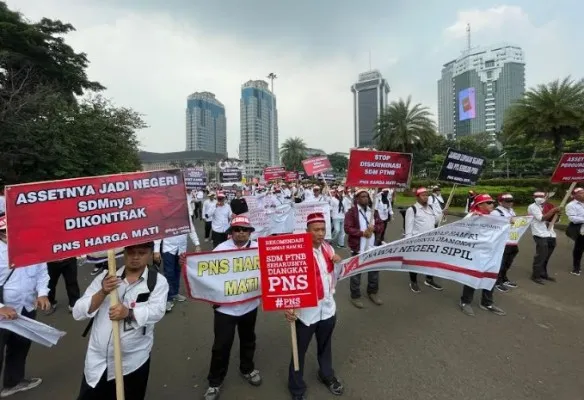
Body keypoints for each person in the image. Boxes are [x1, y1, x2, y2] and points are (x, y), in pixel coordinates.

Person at [73, 241, 169, 400]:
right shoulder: (105, 278)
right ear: (123, 253)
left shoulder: (157, 282)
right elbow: (78, 312)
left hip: (132, 363)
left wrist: (128, 313)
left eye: (141, 253)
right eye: (131, 252)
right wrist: (103, 292)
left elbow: (157, 312)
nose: (135, 257)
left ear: (150, 254)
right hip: (98, 363)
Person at [202, 216, 262, 400]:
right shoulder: (220, 250)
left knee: (248, 339)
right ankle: (215, 382)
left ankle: (247, 368)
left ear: (250, 232)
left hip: (249, 305)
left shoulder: (258, 249)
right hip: (225, 309)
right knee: (221, 346)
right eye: (237, 229)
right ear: (231, 232)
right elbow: (207, 275)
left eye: (245, 229)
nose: (241, 232)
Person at [286, 212, 344, 400]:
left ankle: (326, 374)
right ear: (307, 232)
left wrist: (338, 262)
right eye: (316, 230)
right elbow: (285, 279)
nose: (320, 233)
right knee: (299, 351)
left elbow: (333, 275)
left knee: (325, 346)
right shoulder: (297, 251)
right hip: (306, 312)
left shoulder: (327, 248)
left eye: (323, 229)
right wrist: (288, 306)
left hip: (327, 309)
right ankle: (296, 388)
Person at [0, 214, 50, 397]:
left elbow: (42, 272)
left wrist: (43, 293)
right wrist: (0, 307)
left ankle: (13, 383)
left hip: (26, 308)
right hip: (3, 312)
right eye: (3, 231)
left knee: (20, 346)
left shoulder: (32, 246)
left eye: (10, 230)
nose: (7, 234)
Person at [459, 195, 505, 317]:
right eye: (489, 203)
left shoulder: (493, 217)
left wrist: (509, 222)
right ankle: (465, 302)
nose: (492, 205)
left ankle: (487, 303)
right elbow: (459, 232)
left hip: (491, 253)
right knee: (472, 277)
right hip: (475, 254)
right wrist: (471, 220)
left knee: (491, 277)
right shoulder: (471, 216)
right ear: (480, 205)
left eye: (492, 202)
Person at [343, 188, 384, 308]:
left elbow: (381, 225)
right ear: (357, 199)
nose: (365, 198)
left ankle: (372, 292)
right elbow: (347, 228)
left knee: (374, 271)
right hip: (358, 248)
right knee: (356, 273)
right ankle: (355, 296)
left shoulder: (373, 212)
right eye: (362, 196)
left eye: (366, 196)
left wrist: (374, 229)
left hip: (372, 247)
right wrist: (362, 233)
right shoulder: (351, 212)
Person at [154, 212, 201, 313]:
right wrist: (156, 250)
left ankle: (175, 293)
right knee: (169, 273)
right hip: (168, 248)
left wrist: (197, 244)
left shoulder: (185, 214)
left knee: (177, 271)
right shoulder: (164, 214)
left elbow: (191, 229)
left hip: (181, 248)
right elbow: (159, 231)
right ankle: (168, 298)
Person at [404, 188, 443, 292]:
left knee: (430, 261)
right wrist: (409, 244)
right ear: (417, 197)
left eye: (427, 195)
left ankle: (429, 280)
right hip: (417, 242)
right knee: (415, 263)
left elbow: (435, 221)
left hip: (430, 241)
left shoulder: (430, 208)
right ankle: (413, 282)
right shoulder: (412, 209)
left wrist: (443, 214)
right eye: (423, 195)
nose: (425, 197)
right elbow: (408, 229)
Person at [527, 191, 561, 284]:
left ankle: (543, 273)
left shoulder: (550, 206)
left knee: (547, 256)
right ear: (533, 197)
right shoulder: (532, 207)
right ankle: (535, 275)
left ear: (546, 197)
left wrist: (557, 215)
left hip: (550, 233)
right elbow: (541, 218)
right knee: (541, 255)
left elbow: (556, 221)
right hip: (539, 233)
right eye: (537, 196)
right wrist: (553, 211)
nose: (539, 198)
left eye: (542, 196)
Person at [491, 193, 519, 291]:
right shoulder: (496, 212)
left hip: (512, 240)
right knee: (501, 263)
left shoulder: (511, 211)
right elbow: (494, 226)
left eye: (511, 201)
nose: (510, 203)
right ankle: (497, 281)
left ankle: (504, 278)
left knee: (508, 262)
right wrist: (508, 222)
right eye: (507, 201)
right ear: (500, 202)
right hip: (502, 242)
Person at [565, 187, 584, 276]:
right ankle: (576, 268)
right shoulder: (571, 205)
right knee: (579, 249)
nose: (583, 194)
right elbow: (573, 218)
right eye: (581, 193)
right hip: (581, 230)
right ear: (575, 195)